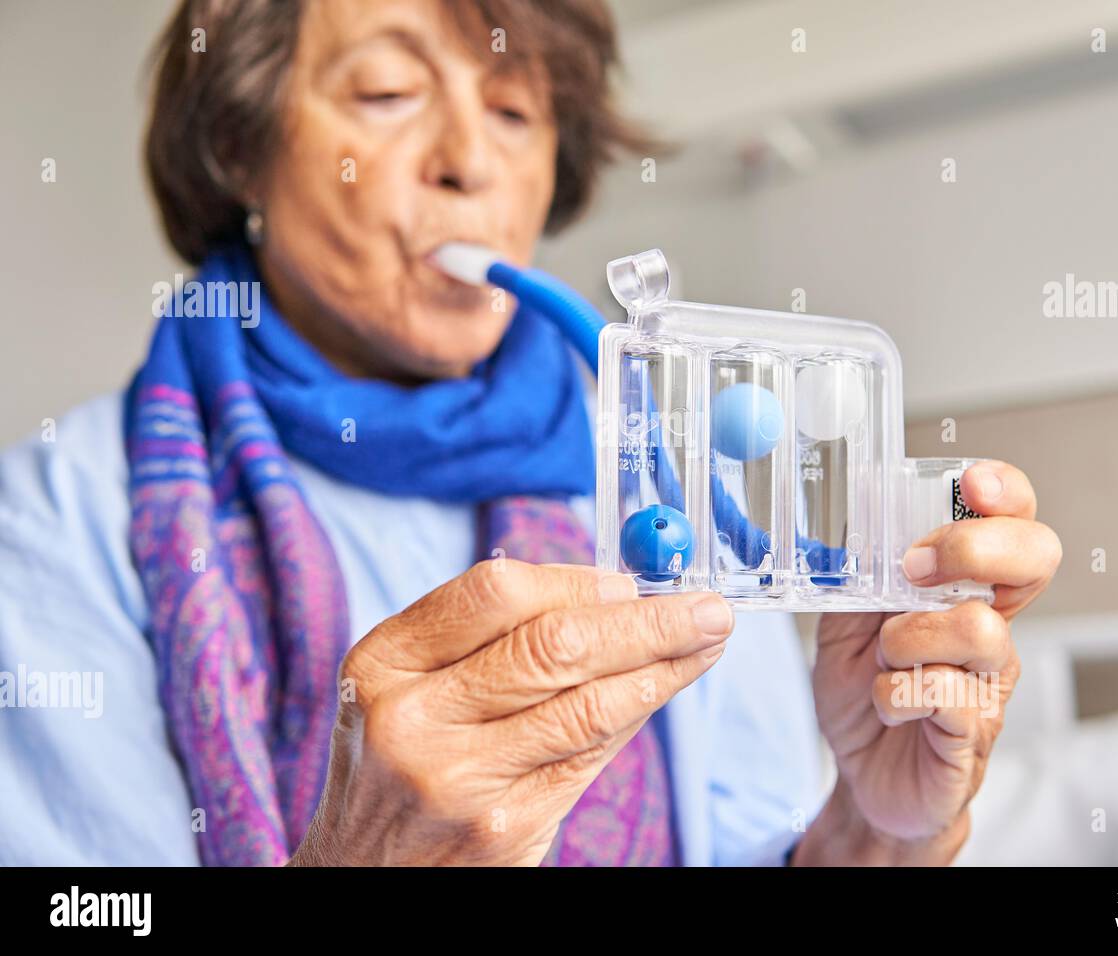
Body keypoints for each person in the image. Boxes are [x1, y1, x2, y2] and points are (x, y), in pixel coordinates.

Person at [0, 0, 1061, 866]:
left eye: (515, 113)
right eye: (386, 91)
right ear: (240, 149)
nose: (471, 159)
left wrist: (870, 834)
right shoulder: (62, 511)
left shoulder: (661, 470)